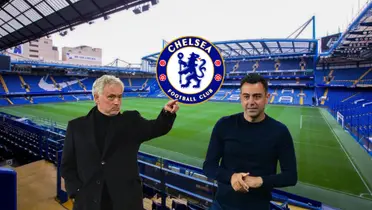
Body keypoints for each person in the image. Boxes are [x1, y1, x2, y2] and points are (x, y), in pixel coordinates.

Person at [61, 75, 179, 210]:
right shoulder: (76, 127)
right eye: (111, 97)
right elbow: (67, 166)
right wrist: (76, 192)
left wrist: (167, 113)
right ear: (96, 98)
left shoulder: (131, 121)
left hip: (126, 201)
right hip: (88, 202)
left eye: (120, 96)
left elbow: (157, 127)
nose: (117, 102)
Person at [203, 73, 297, 210]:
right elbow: (209, 166)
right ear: (240, 98)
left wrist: (261, 180)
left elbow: (291, 176)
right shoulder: (224, 125)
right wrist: (231, 177)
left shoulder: (280, 132)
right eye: (246, 96)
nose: (251, 102)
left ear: (267, 98)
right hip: (221, 206)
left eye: (257, 96)